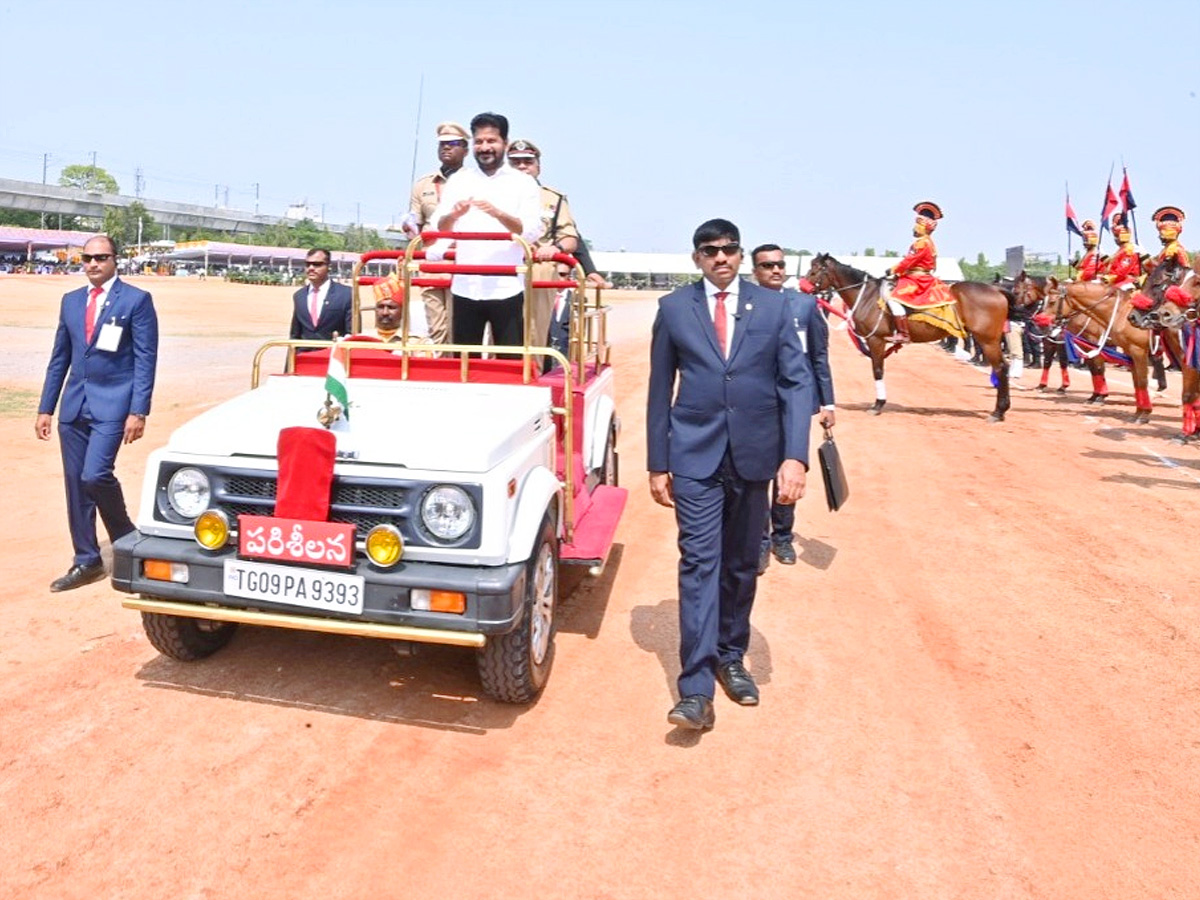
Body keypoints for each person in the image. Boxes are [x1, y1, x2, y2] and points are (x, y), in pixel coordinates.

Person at [647, 219, 815, 731]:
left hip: (755, 456)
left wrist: (795, 456)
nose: (721, 258)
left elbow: (795, 381)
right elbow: (659, 388)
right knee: (699, 563)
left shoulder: (773, 307)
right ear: (696, 258)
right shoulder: (674, 309)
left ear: (740, 256)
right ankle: (695, 688)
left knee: (742, 563)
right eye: (709, 251)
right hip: (695, 458)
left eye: (729, 249)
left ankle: (731, 657)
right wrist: (658, 462)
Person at [35, 234, 158, 592]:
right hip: (74, 406)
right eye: (86, 258)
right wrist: (46, 407)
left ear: (115, 259)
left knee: (95, 474)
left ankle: (125, 537)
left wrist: (138, 410)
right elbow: (60, 358)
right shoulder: (71, 302)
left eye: (100, 257)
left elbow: (145, 359)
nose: (92, 264)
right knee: (75, 484)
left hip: (114, 405)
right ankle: (86, 559)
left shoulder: (136, 300)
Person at [750, 244, 835, 573]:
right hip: (756, 405)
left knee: (790, 470)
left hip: (794, 405)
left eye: (780, 264)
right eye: (767, 265)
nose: (775, 270)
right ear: (755, 271)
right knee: (758, 475)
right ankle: (759, 541)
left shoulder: (805, 304)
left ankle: (782, 537)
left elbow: (819, 356)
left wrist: (827, 401)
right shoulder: (745, 305)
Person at [431, 112, 542, 350]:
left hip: (506, 288)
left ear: (505, 143)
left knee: (509, 362)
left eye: (491, 141)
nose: (485, 147)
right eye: (479, 141)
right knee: (463, 363)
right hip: (465, 286)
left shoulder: (523, 183)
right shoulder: (460, 181)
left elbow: (531, 231)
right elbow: (438, 227)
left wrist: (498, 214)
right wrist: (453, 216)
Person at [506, 139, 581, 350]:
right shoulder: (495, 196)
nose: (522, 167)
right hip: (503, 266)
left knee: (534, 331)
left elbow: (570, 238)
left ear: (538, 166)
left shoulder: (553, 198)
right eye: (515, 162)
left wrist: (555, 248)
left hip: (538, 268)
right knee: (500, 332)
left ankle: (534, 373)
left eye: (527, 162)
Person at [402, 121, 470, 345]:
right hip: (432, 263)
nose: (446, 148)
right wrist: (410, 230)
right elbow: (416, 223)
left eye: (453, 144)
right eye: (442, 144)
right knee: (437, 327)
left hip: (463, 261)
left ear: (466, 149)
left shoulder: (474, 182)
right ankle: (443, 370)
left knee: (460, 325)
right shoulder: (424, 184)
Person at [884, 201, 951, 343]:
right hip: (917, 276)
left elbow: (909, 261)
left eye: (917, 225)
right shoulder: (928, 242)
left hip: (917, 279)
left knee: (892, 298)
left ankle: (903, 333)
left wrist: (893, 269)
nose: (914, 228)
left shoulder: (921, 243)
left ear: (923, 227)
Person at [290, 248, 353, 346]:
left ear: (329, 267)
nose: (311, 268)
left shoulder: (346, 294)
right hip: (304, 357)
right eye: (307, 264)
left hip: (334, 356)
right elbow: (294, 335)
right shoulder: (299, 296)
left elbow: (352, 333)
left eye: (317, 264)